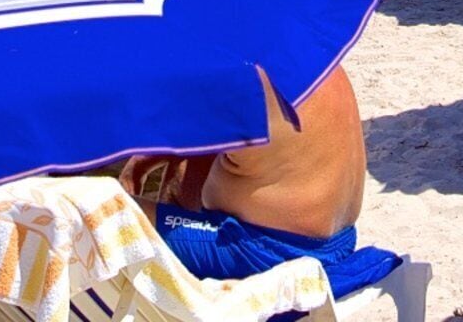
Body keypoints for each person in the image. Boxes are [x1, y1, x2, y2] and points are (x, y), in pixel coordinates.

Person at [122, 65, 373, 289]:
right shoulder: (317, 57)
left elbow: (166, 125)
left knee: (108, 209)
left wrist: (138, 163)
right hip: (338, 240)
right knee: (201, 159)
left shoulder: (245, 79)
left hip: (266, 252)